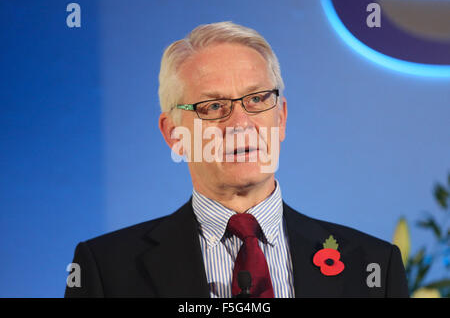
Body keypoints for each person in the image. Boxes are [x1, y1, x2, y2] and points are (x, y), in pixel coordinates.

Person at [65, 21, 408, 298]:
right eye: (214, 107)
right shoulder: (106, 271)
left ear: (282, 118)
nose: (241, 124)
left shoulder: (372, 266)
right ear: (173, 134)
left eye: (257, 99)